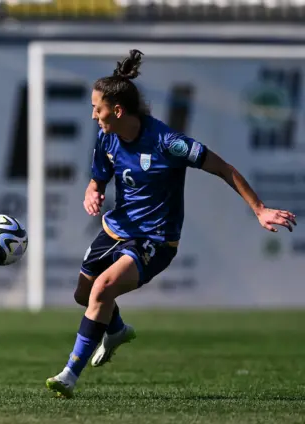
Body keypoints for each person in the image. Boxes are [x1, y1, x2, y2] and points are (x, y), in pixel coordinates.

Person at [45, 50, 297, 398]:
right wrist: (93, 191)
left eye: (97, 108)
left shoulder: (168, 143)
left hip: (155, 239)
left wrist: (259, 209)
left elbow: (223, 168)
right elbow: (98, 177)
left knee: (102, 289)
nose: (93, 115)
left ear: (117, 110)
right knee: (84, 295)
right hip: (116, 228)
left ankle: (69, 374)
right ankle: (115, 330)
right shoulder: (107, 135)